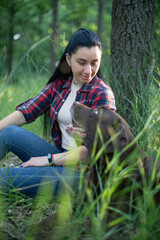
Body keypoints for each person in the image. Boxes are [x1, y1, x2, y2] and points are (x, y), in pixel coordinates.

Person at [0, 28, 116, 196]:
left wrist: (46, 160)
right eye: (82, 63)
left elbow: (93, 149)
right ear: (68, 59)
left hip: (82, 173)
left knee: (3, 177)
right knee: (9, 132)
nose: (88, 71)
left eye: (94, 63)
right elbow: (26, 112)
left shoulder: (102, 94)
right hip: (61, 157)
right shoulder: (60, 85)